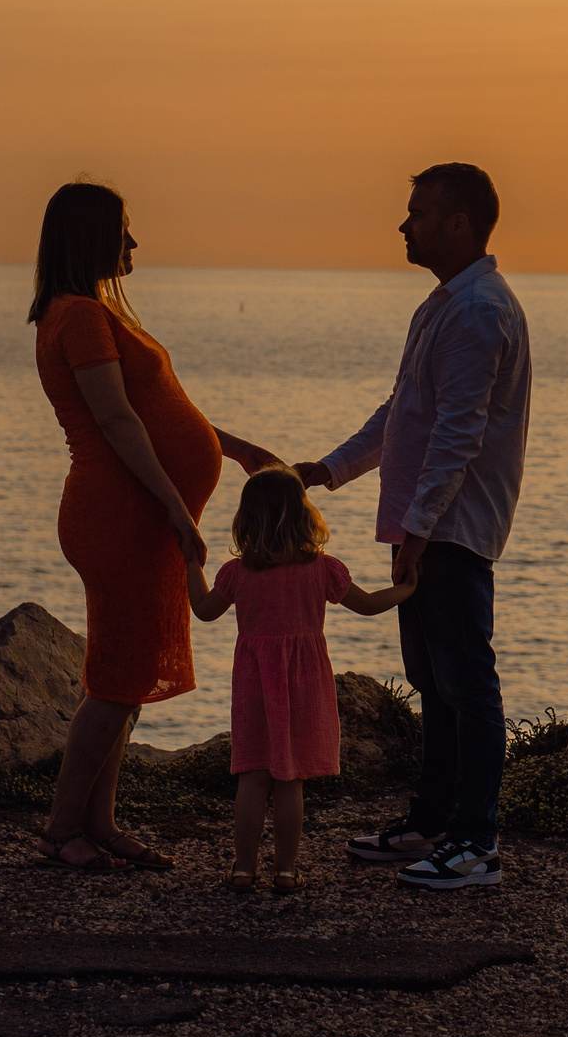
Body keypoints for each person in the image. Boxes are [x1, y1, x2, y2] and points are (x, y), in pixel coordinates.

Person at [28, 180, 281, 873]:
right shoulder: (77, 315)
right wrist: (174, 503)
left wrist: (233, 447)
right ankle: (59, 828)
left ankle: (98, 820)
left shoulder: (92, 310)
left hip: (136, 511)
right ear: (91, 238)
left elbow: (160, 409)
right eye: (124, 231)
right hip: (121, 516)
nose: (135, 244)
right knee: (114, 681)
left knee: (126, 677)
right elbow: (116, 421)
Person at [296, 162, 531, 891]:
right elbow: (404, 415)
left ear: (458, 222)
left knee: (468, 683)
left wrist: (421, 528)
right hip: (424, 525)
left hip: (450, 528)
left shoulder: (477, 312)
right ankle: (433, 822)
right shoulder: (444, 306)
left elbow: (457, 433)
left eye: (418, 212)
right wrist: (327, 470)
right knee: (433, 681)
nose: (404, 224)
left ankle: (475, 844)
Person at [186, 465, 414, 894]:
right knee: (290, 780)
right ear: (303, 514)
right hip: (304, 684)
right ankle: (286, 872)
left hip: (254, 684)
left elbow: (203, 609)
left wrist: (189, 563)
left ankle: (242, 870)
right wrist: (408, 588)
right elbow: (366, 605)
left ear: (247, 520)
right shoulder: (323, 570)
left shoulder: (237, 574)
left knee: (252, 777)